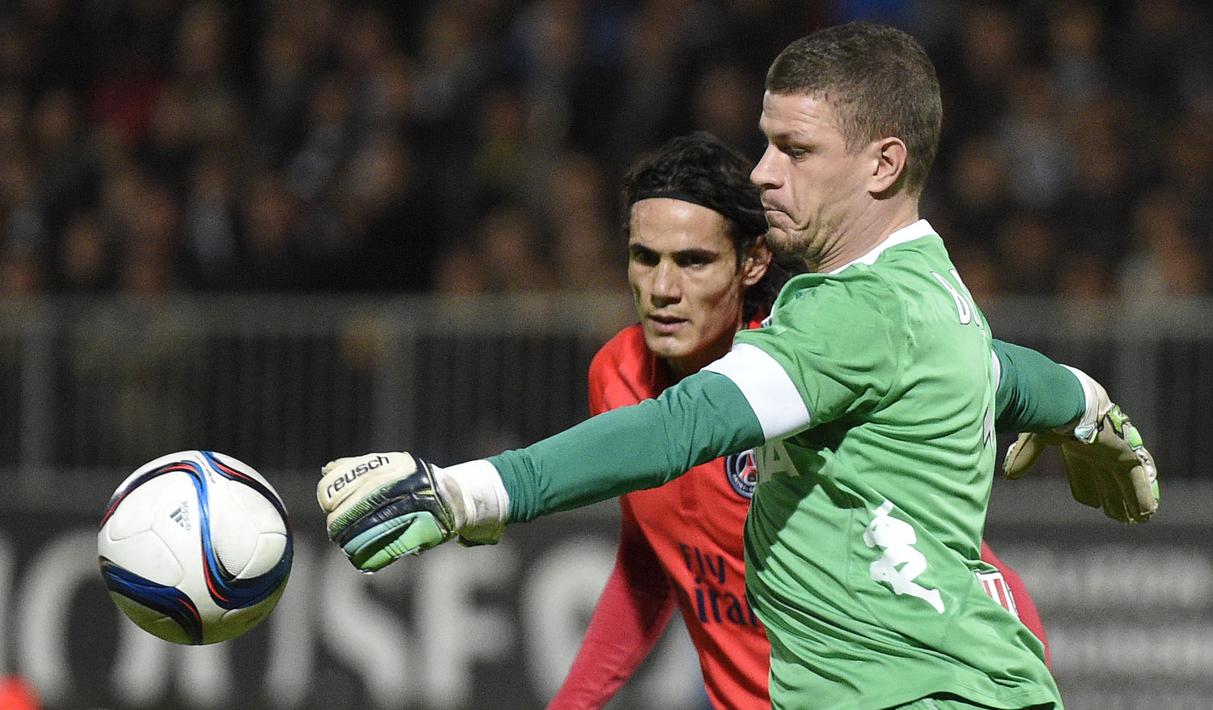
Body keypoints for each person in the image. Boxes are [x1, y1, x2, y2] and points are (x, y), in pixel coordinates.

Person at [319, 23, 1158, 709]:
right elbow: (1009, 374)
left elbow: (689, 423)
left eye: (795, 150)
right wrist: (1085, 409)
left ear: (882, 164)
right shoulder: (929, 290)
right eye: (765, 143)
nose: (762, 174)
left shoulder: (851, 314)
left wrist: (464, 492)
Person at [549, 131, 1066, 709]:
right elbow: (651, 560)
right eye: (645, 258)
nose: (663, 289)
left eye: (693, 261)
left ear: (752, 262)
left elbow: (967, 570)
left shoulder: (813, 379)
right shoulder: (616, 375)